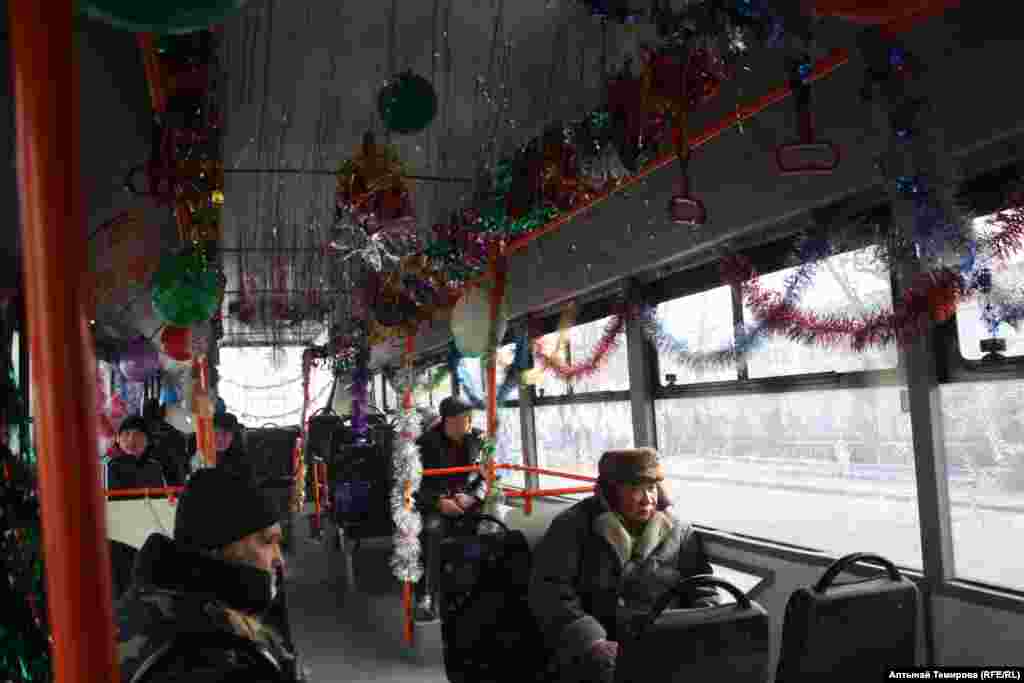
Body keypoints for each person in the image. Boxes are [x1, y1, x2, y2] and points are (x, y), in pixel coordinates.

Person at [529, 448, 719, 683]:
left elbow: (703, 587)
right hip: (597, 648)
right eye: (636, 489)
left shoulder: (679, 532)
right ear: (611, 491)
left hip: (666, 642)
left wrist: (702, 627)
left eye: (652, 488)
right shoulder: (573, 527)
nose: (647, 498)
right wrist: (591, 641)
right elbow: (549, 590)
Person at [116, 468, 306, 682]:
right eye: (267, 542)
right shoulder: (216, 651)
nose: (279, 559)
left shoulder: (150, 606)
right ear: (220, 548)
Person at [413, 395, 486, 621]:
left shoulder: (478, 439)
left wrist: (473, 496)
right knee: (433, 531)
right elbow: (411, 486)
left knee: (491, 530)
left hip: (468, 502)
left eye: (469, 419)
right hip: (437, 503)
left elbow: (489, 476)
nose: (468, 424)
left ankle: (480, 589)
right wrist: (438, 502)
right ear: (448, 421)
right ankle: (427, 595)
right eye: (463, 420)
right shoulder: (423, 444)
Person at [104, 416, 167, 490]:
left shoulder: (154, 468)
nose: (131, 440)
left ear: (148, 441)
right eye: (126, 434)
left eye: (138, 435)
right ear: (117, 438)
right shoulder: (108, 466)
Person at [143, 398, 190, 486]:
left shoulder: (143, 432)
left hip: (153, 476)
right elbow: (183, 456)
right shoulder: (173, 432)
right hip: (174, 473)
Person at [214, 412, 255, 484]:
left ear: (234, 436)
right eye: (216, 433)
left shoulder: (241, 462)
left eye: (225, 434)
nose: (220, 439)